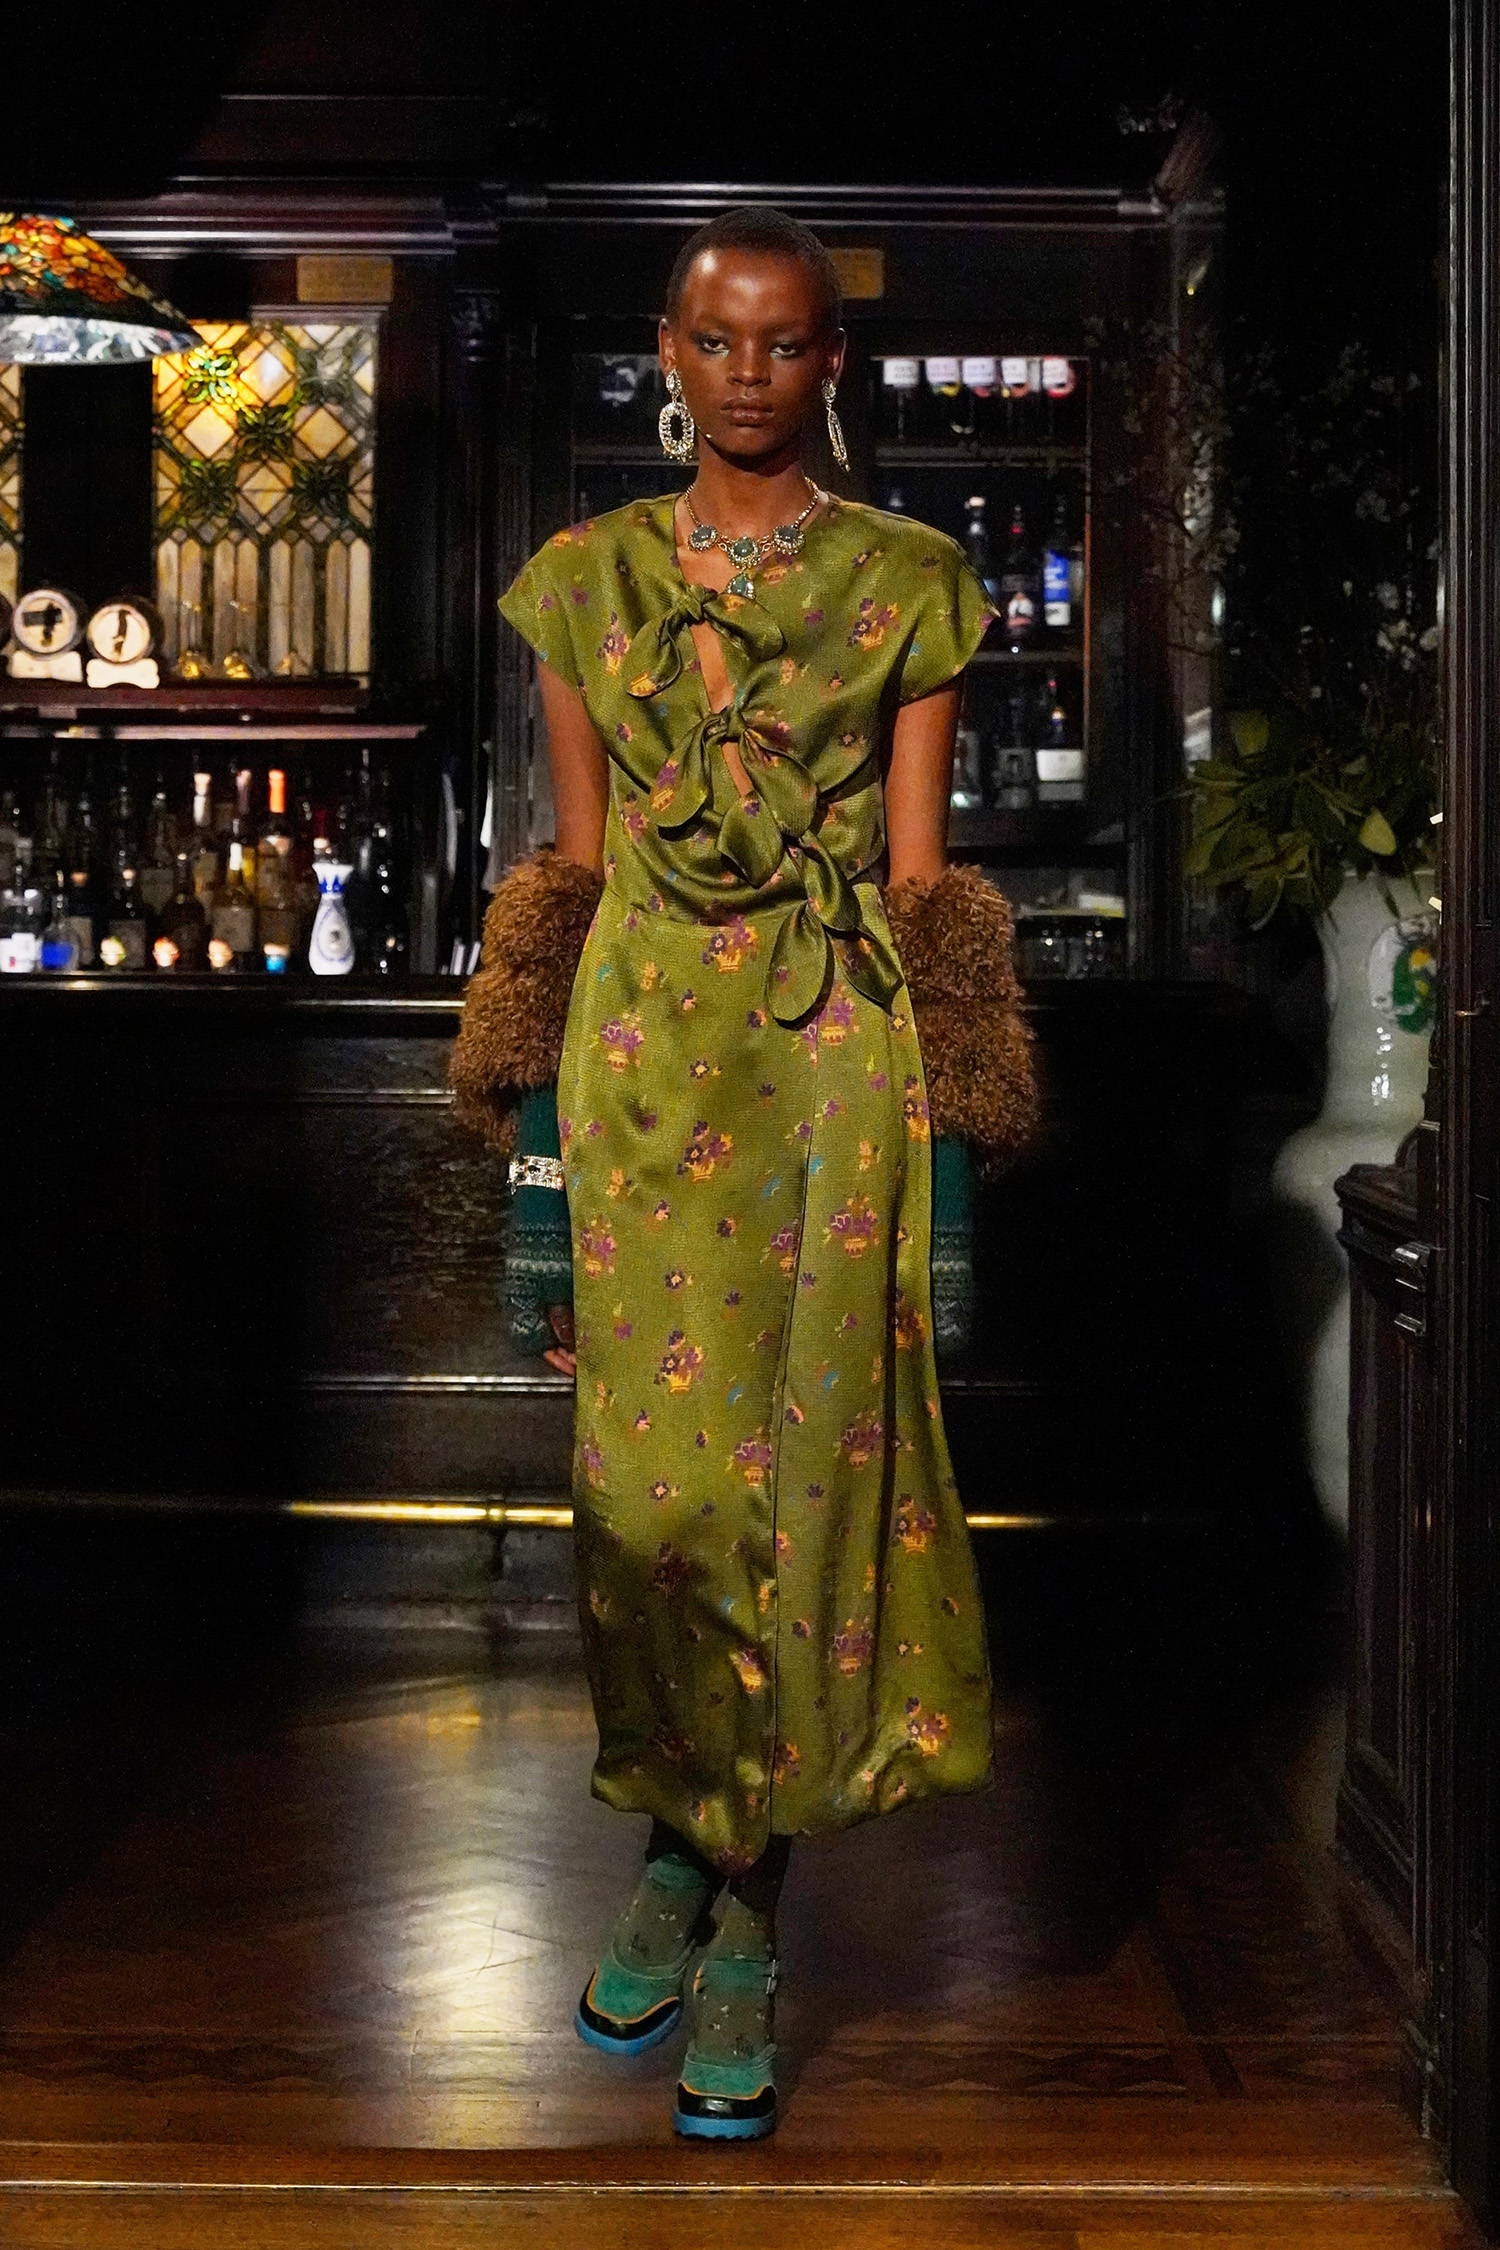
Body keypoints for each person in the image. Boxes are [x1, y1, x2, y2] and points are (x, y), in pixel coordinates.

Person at [450, 204, 1040, 2141]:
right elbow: (573, 873)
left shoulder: (910, 582)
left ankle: (746, 1921)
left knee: (800, 1500)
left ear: (831, 363)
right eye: (718, 340)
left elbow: (923, 884)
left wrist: (956, 1159)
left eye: (787, 343)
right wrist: (537, 1157)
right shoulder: (582, 583)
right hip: (637, 1068)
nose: (750, 374)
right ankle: (676, 1832)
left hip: (829, 1070)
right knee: (653, 1504)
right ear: (668, 351)